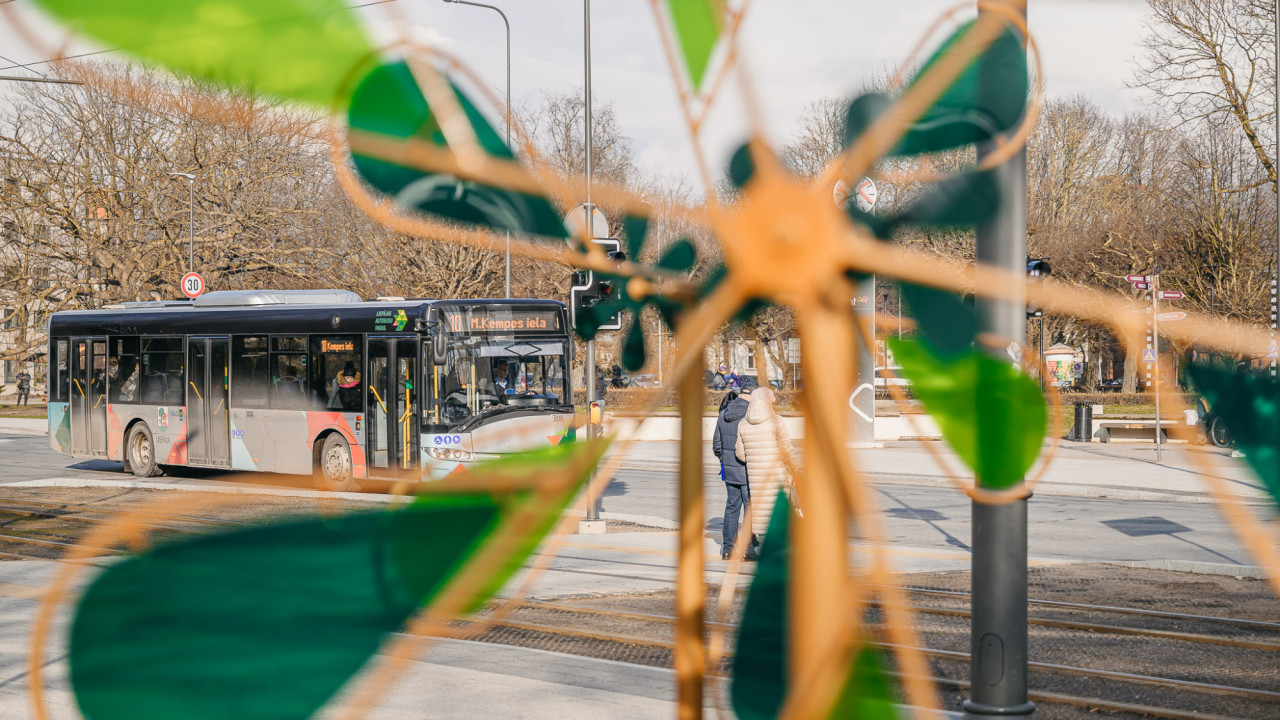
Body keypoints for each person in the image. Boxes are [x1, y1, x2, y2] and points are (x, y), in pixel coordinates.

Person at [735, 384, 798, 548]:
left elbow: (740, 455)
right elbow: (787, 451)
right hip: (777, 476)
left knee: (762, 514)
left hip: (756, 480)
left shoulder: (743, 424)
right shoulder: (777, 421)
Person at [713, 382, 754, 560]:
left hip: (730, 470)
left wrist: (725, 460)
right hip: (747, 470)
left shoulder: (723, 414)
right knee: (749, 510)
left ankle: (727, 549)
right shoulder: (751, 415)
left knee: (731, 509)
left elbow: (716, 445)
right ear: (751, 397)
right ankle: (747, 551)